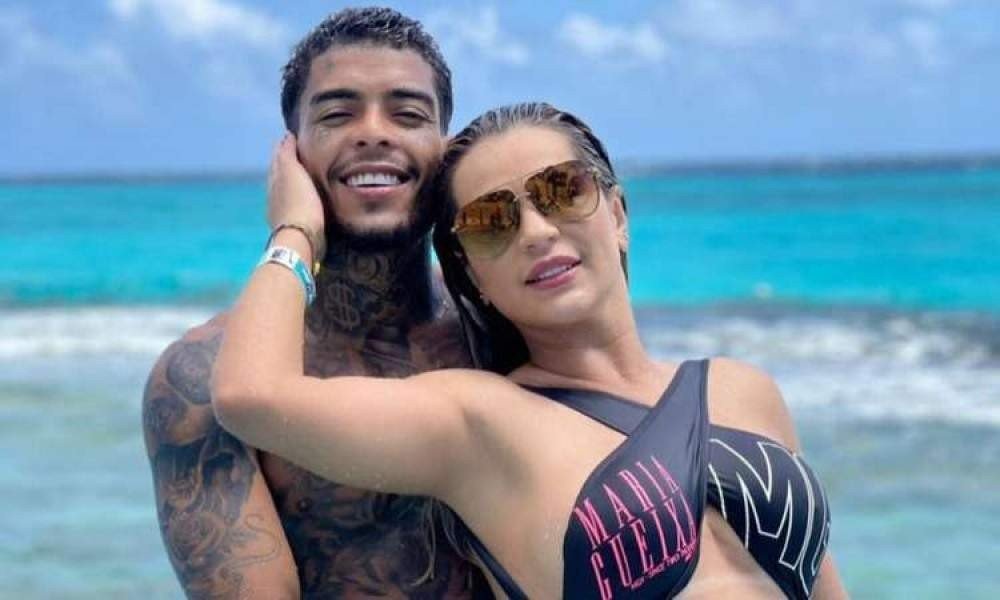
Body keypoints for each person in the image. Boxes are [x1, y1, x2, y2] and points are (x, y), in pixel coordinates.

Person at [212, 102, 849, 599]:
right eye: (491, 221)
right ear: (472, 275)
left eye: (562, 190)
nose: (537, 232)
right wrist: (296, 231)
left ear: (617, 215)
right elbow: (249, 396)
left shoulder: (744, 389)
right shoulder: (478, 421)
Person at [141, 7, 488, 598]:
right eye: (336, 114)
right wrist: (293, 231)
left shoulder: (499, 334)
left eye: (407, 115)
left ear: (447, 153)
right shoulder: (201, 378)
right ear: (292, 154)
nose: (373, 133)